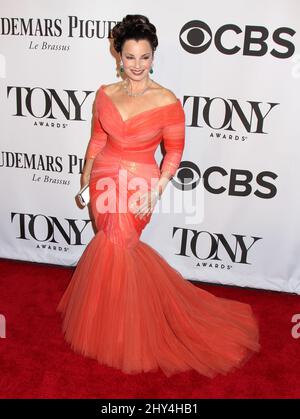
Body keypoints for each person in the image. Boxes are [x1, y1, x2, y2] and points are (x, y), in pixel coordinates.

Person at [57, 14, 260, 378]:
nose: (137, 65)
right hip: (104, 176)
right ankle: (115, 319)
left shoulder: (167, 100)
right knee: (111, 247)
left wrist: (156, 190)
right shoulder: (105, 94)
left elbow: (174, 153)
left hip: (140, 184)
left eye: (145, 57)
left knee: (119, 245)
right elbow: (98, 139)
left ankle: (127, 330)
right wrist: (86, 177)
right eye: (130, 56)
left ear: (154, 56)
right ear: (118, 55)